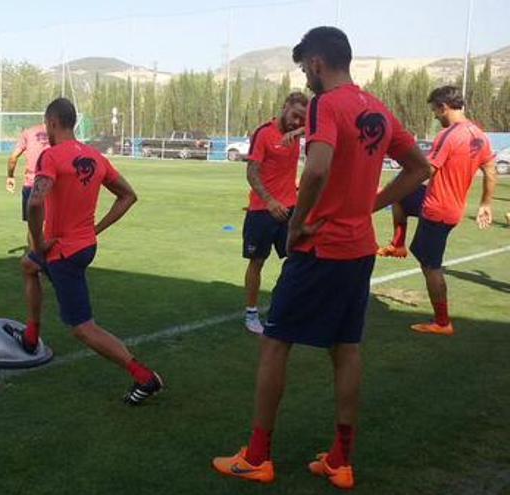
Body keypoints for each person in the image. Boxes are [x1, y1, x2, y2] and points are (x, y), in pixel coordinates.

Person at [211, 27, 431, 489]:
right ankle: (341, 460)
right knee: (346, 349)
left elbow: (315, 168)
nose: (305, 78)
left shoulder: (324, 105)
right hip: (358, 250)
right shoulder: (377, 107)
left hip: (320, 247)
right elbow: (420, 169)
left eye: (303, 68)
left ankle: (257, 456)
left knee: (275, 344)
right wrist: (370, 204)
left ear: (315, 62)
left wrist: (296, 224)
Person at [3, 97, 163, 405]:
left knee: (83, 329)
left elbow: (35, 202)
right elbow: (128, 196)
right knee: (29, 265)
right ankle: (32, 334)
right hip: (83, 245)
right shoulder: (96, 157)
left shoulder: (50, 157)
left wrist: (37, 239)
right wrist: (96, 229)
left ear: (51, 123)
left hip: (62, 252)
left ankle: (145, 377)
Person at [378, 86, 497, 335]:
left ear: (444, 107)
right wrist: (486, 203)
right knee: (399, 196)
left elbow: (425, 169)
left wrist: (386, 191)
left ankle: (442, 323)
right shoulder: (479, 135)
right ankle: (397, 244)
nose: (434, 116)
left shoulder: (450, 135)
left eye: (435, 110)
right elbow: (490, 169)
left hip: (438, 209)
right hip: (447, 205)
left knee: (430, 265)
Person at [242, 92, 308, 334]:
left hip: (290, 208)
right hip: (262, 210)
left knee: (296, 260)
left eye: (302, 119)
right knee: (257, 261)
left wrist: (299, 131)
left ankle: (285, 309)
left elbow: (322, 126)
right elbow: (251, 172)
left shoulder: (300, 130)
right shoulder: (264, 133)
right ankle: (251, 314)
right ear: (284, 107)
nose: (297, 122)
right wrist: (270, 201)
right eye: (294, 116)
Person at [7, 123, 50, 227]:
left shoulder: (28, 132)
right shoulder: (57, 133)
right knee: (50, 225)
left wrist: (10, 177)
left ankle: (33, 243)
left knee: (33, 227)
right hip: (50, 185)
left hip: (31, 185)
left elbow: (13, 158)